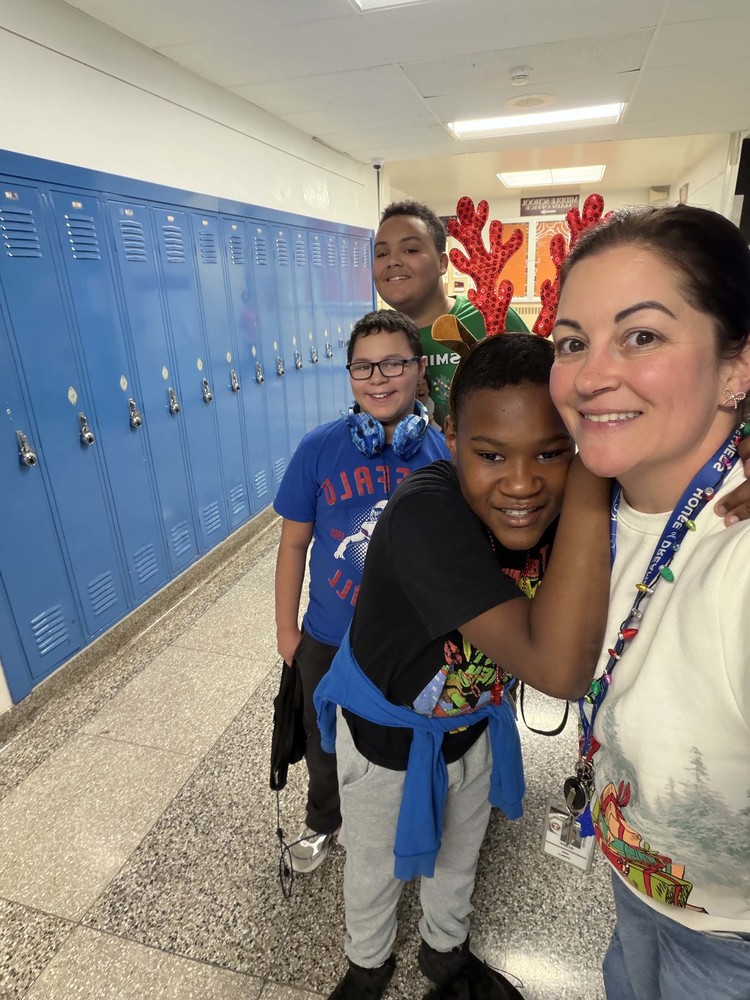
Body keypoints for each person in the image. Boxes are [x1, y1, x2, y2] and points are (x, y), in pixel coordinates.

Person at [315, 332, 613, 999]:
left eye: (550, 452)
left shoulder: (558, 504)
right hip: (388, 734)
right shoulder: (426, 513)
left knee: (459, 852)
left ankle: (446, 953)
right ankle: (367, 965)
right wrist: (590, 474)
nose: (521, 482)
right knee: (374, 864)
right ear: (451, 436)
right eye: (490, 454)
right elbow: (554, 667)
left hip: (473, 720)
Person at [549, 203, 750, 1000]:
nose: (593, 375)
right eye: (572, 342)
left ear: (737, 367)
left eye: (643, 335)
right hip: (638, 889)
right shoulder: (596, 512)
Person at [273, 308, 449, 873]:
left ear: (419, 368)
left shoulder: (442, 451)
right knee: (322, 741)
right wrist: (287, 631)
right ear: (349, 375)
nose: (379, 378)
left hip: (411, 640)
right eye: (364, 367)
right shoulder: (319, 449)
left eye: (394, 363)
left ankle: (399, 819)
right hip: (328, 634)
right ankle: (325, 820)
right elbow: (294, 545)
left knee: (403, 734)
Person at [373, 199, 528, 428]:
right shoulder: (377, 340)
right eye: (382, 253)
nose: (393, 261)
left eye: (410, 249)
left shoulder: (489, 317)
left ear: (442, 263)